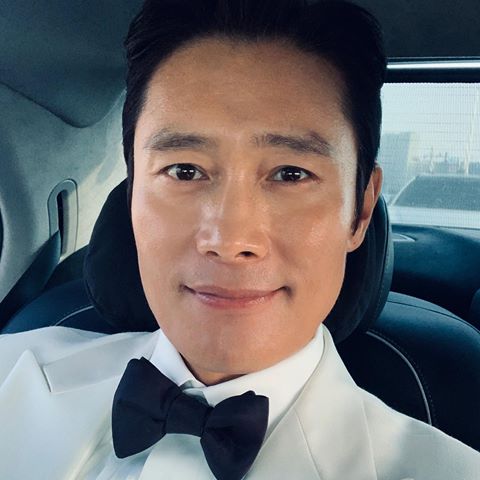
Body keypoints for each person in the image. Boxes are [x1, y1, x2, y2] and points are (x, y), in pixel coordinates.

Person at [1, 0, 479, 479]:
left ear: (360, 212)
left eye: (291, 174)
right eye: (184, 171)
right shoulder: (11, 369)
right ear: (131, 198)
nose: (228, 240)